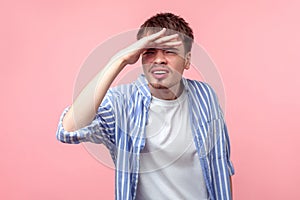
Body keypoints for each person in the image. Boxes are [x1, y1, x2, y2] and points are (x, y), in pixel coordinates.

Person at [56, 13, 235, 200]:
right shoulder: (122, 102)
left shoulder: (205, 96)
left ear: (187, 60)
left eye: (170, 51)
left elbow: (221, 164)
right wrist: (119, 60)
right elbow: (68, 130)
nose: (159, 60)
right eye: (149, 51)